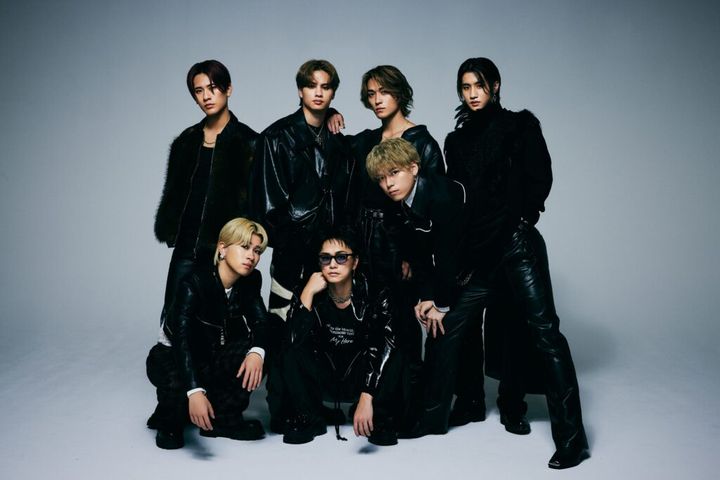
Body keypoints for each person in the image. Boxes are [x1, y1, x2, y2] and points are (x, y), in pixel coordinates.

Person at [441, 57, 589, 469]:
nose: (472, 93)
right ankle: (471, 402)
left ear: (496, 85)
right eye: (465, 86)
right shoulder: (456, 141)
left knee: (543, 332)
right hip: (477, 249)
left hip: (515, 243)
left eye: (479, 85)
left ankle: (571, 438)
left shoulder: (520, 126)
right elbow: (458, 199)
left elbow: (542, 177)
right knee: (462, 322)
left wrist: (522, 218)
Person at [249, 59, 356, 431]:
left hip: (327, 257)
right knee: (283, 328)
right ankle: (283, 412)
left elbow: (343, 200)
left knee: (316, 331)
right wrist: (299, 246)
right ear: (300, 90)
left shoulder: (336, 140)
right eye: (312, 86)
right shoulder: (275, 138)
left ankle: (310, 404)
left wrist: (333, 254)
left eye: (326, 87)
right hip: (293, 256)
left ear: (333, 92)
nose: (319, 93)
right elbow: (267, 208)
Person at [154, 59, 258, 347]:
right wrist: (172, 228)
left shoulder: (249, 142)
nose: (206, 97)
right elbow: (174, 193)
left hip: (224, 248)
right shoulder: (186, 141)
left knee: (221, 318)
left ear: (228, 89)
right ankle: (176, 369)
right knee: (174, 316)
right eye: (199, 91)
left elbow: (254, 203)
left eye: (213, 88)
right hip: (187, 244)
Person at [146, 218, 270, 449]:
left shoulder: (251, 280)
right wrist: (194, 391)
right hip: (173, 355)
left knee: (262, 351)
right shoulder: (193, 282)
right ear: (222, 248)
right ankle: (168, 419)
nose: (251, 256)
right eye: (244, 247)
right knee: (177, 392)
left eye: (257, 250)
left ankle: (223, 419)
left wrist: (256, 352)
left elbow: (261, 322)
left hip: (211, 354)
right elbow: (181, 340)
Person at [281, 228, 400, 446]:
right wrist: (308, 293)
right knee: (289, 347)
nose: (333, 264)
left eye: (341, 257)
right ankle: (309, 417)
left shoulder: (375, 292)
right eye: (325, 258)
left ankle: (380, 419)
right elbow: (292, 343)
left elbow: (385, 344)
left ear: (355, 262)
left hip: (360, 377)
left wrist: (367, 394)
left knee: (393, 349)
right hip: (326, 376)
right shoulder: (308, 290)